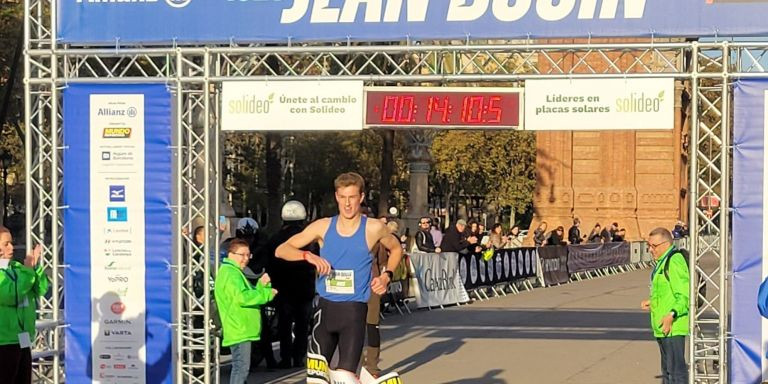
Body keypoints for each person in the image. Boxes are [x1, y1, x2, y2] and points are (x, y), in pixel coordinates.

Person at [275, 172, 403, 375]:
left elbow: (396, 249)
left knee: (345, 376)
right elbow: (282, 250)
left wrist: (386, 275)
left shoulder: (374, 228)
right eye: (342, 197)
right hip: (325, 311)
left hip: (354, 313)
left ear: (361, 197)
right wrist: (308, 256)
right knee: (317, 377)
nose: (347, 204)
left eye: (352, 197)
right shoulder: (323, 226)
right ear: (336, 197)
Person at [263, 200, 317, 369]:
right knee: (302, 325)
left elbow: (269, 263)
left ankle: (285, 358)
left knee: (284, 326)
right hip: (305, 289)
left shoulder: (275, 239)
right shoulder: (309, 239)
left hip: (283, 290)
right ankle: (298, 357)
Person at [215, 239, 276, 384]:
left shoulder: (233, 272)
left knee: (241, 368)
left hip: (241, 328)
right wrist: (266, 294)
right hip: (239, 328)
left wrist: (263, 286)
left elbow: (246, 294)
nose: (246, 259)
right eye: (242, 255)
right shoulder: (231, 273)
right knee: (241, 368)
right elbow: (242, 298)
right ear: (230, 254)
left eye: (248, 255)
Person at [640, 228, 689, 384]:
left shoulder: (674, 261)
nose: (650, 249)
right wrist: (652, 302)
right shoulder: (661, 263)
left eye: (653, 246)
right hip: (662, 327)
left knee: (676, 373)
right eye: (649, 245)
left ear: (665, 244)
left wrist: (671, 315)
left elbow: (684, 296)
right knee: (668, 372)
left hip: (673, 327)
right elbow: (665, 291)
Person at [0, 226, 48, 384]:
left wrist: (35, 269)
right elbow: (11, 296)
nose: (11, 247)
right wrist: (28, 272)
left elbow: (39, 290)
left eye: (11, 243)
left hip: (23, 339)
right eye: (6, 244)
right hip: (4, 342)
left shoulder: (18, 268)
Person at [362, 218, 399, 377]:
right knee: (351, 327)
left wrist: (385, 277)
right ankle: (354, 364)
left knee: (372, 325)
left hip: (372, 284)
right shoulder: (342, 234)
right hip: (348, 287)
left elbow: (385, 259)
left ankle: (372, 366)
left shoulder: (376, 235)